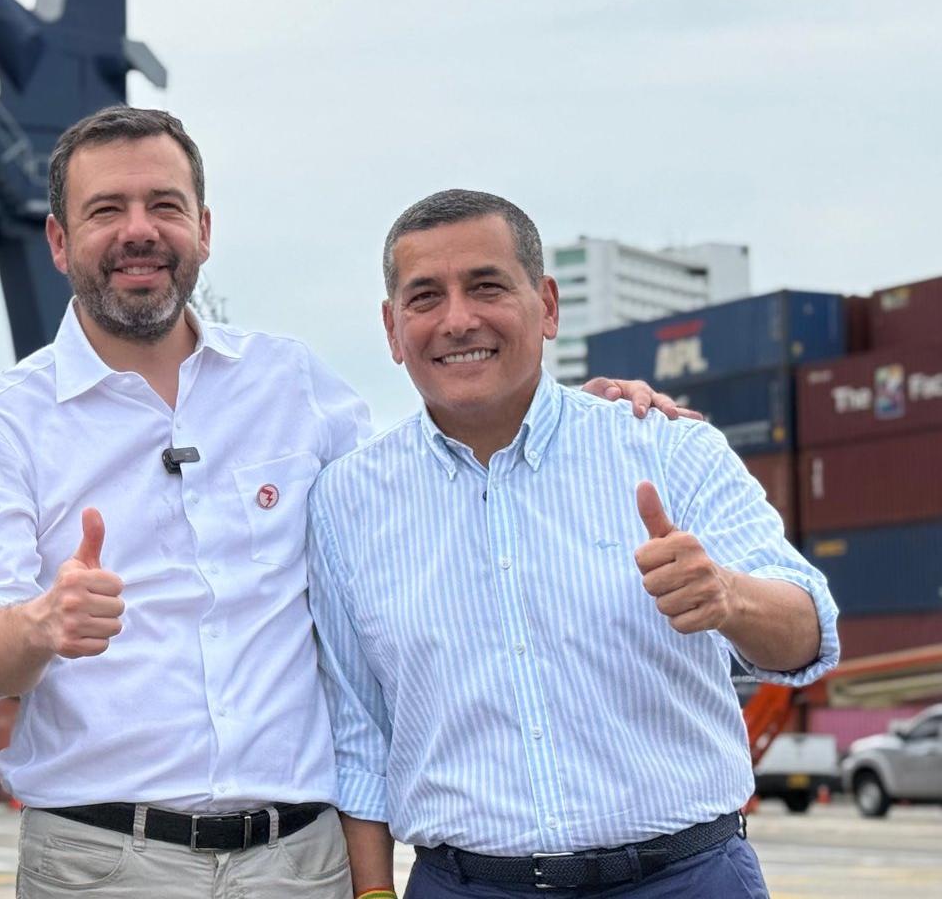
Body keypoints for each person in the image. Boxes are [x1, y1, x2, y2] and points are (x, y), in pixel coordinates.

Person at [0, 108, 688, 899]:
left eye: (163, 206)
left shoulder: (293, 384)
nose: (139, 231)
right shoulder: (3, 424)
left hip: (296, 865)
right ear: (57, 241)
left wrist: (577, 415)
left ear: (202, 228)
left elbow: (427, 482)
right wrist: (39, 625)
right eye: (105, 210)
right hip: (99, 863)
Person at [309, 189, 840, 899]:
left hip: (685, 879)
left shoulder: (665, 448)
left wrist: (727, 597)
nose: (457, 319)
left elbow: (807, 636)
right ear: (391, 328)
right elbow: (358, 735)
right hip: (465, 885)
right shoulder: (345, 502)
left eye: (487, 285)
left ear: (548, 306)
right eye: (424, 297)